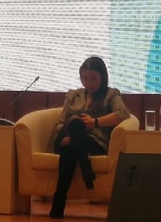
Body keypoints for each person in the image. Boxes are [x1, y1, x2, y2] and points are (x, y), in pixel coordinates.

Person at [48, 56, 131, 219]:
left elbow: (123, 114)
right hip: (66, 137)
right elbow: (60, 124)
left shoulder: (111, 95)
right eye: (85, 79)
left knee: (69, 147)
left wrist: (95, 123)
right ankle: (85, 166)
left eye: (93, 79)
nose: (88, 83)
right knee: (75, 124)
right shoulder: (73, 96)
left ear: (102, 77)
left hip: (94, 142)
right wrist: (70, 130)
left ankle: (59, 201)